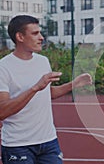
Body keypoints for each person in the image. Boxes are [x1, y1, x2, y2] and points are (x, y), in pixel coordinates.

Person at [0, 15, 92, 164]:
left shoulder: (43, 61)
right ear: (20, 37)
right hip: (17, 145)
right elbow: (2, 111)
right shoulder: (3, 67)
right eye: (35, 33)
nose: (41, 37)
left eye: (40, 33)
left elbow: (47, 93)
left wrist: (73, 84)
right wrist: (35, 88)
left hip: (48, 141)